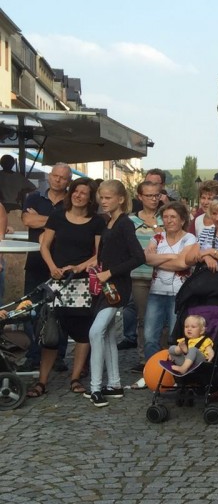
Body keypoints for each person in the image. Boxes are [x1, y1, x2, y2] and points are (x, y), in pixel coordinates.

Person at [28, 177, 104, 398]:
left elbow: (99, 255)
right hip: (57, 281)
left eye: (83, 193)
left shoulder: (96, 222)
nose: (78, 195)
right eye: (76, 192)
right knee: (51, 333)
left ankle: (75, 377)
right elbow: (45, 246)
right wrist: (52, 267)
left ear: (91, 198)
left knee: (82, 333)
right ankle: (42, 381)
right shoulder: (58, 216)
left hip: (80, 284)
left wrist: (80, 267)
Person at [88, 180, 144, 408]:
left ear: (121, 199)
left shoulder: (125, 224)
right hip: (105, 286)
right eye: (101, 197)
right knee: (108, 334)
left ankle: (95, 388)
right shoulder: (108, 223)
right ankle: (114, 384)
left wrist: (109, 272)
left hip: (117, 288)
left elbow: (138, 257)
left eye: (108, 197)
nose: (103, 201)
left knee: (96, 332)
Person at [135, 201, 196, 387]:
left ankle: (173, 374)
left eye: (173, 217)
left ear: (182, 220)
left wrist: (159, 261)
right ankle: (151, 372)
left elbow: (183, 264)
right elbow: (146, 258)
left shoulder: (189, 239)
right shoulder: (157, 238)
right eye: (166, 217)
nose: (169, 221)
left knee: (174, 336)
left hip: (179, 294)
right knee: (150, 334)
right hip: (156, 292)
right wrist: (173, 257)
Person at [21, 162, 72, 370]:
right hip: (35, 263)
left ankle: (57, 356)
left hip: (61, 264)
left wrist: (42, 219)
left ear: (68, 181)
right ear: (50, 176)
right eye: (55, 175)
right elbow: (28, 221)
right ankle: (34, 356)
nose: (57, 180)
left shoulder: (72, 200)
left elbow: (71, 224)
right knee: (30, 312)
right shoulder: (34, 197)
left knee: (59, 312)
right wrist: (57, 220)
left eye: (62, 177)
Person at [121, 179, 164, 354]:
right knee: (143, 317)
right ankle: (144, 355)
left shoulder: (166, 217)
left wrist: (155, 226)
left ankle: (162, 353)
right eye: (149, 195)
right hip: (139, 275)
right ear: (140, 196)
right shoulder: (130, 220)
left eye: (156, 195)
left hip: (163, 273)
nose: (153, 199)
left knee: (162, 318)